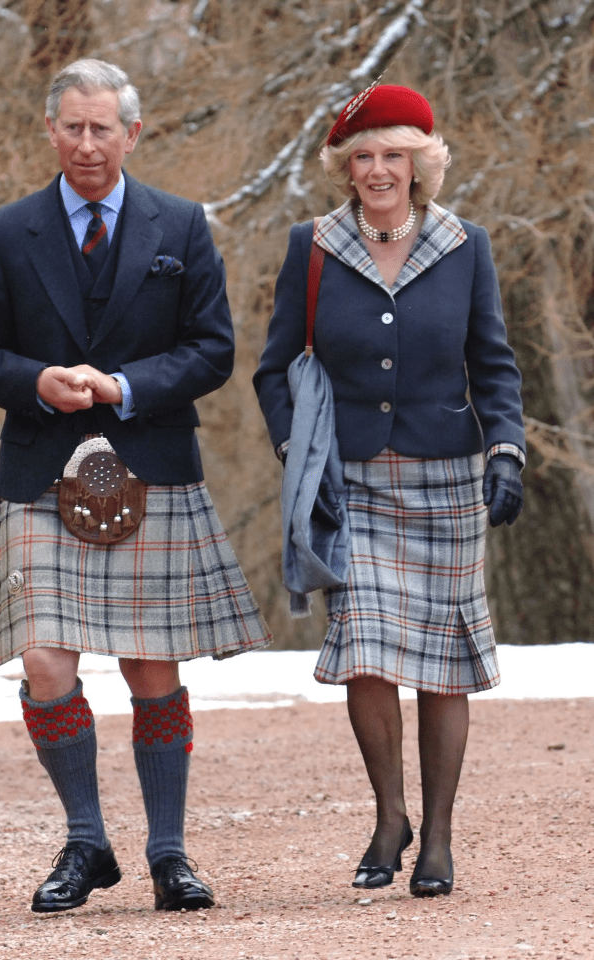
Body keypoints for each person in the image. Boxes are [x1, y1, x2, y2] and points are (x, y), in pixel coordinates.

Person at [0, 58, 270, 914]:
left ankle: (168, 853)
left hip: (153, 462)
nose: (88, 144)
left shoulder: (181, 224)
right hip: (38, 472)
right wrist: (36, 380)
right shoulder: (3, 230)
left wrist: (126, 387)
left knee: (149, 667)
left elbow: (212, 349)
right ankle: (86, 840)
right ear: (50, 131)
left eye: (104, 128)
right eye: (73, 127)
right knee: (46, 661)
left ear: (133, 133)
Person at [253, 84, 525, 898]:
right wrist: (297, 452)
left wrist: (504, 448)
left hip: (445, 475)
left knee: (443, 667)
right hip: (352, 481)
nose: (377, 169)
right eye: (362, 156)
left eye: (392, 154)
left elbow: (495, 363)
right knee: (364, 653)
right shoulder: (311, 246)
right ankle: (389, 815)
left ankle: (437, 838)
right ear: (346, 167)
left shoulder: (464, 245)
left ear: (419, 164)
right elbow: (273, 368)